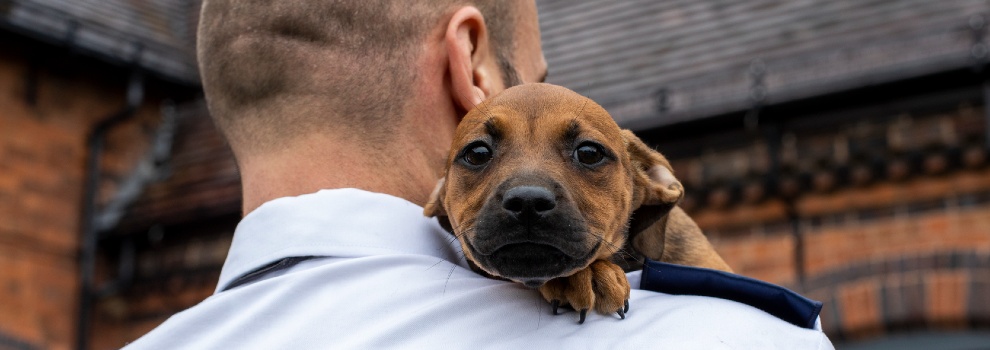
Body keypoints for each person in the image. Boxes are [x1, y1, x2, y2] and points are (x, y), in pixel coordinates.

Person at [124, 0, 833, 348]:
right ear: (471, 62)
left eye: (586, 155)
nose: (527, 188)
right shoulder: (717, 338)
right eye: (534, 79)